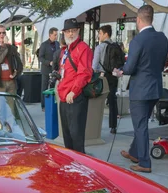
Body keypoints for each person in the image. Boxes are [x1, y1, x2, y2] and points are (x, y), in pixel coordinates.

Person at [114, 5, 168, 173]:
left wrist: (119, 71)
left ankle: (145, 162)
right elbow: (161, 62)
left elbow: (129, 68)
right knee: (142, 122)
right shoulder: (162, 38)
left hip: (140, 89)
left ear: (138, 20)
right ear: (152, 18)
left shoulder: (137, 40)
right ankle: (135, 152)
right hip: (155, 87)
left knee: (140, 125)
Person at [56, 18, 93, 154]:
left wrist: (74, 91)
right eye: (68, 31)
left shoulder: (83, 48)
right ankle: (70, 165)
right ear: (64, 33)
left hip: (75, 97)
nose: (70, 34)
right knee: (67, 135)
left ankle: (79, 167)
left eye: (73, 31)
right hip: (65, 96)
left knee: (76, 136)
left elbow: (84, 73)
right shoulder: (66, 50)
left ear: (78, 31)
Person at [93, 25, 123, 134]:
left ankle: (95, 125)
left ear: (106, 34)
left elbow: (94, 65)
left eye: (100, 33)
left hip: (102, 76)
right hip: (113, 76)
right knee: (112, 100)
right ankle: (113, 126)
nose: (98, 36)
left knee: (97, 100)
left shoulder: (100, 47)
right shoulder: (116, 46)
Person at [0, 24, 23, 95]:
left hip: (11, 83)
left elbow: (20, 65)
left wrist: (15, 74)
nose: (2, 35)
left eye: (3, 33)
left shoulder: (12, 48)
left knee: (11, 105)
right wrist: (4, 46)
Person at [38, 27, 59, 111]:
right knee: (44, 88)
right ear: (50, 35)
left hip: (55, 70)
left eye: (57, 35)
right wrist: (48, 62)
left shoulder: (57, 44)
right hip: (46, 70)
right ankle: (44, 105)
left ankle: (53, 103)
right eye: (55, 35)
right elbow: (40, 57)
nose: (56, 36)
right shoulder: (44, 45)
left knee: (54, 87)